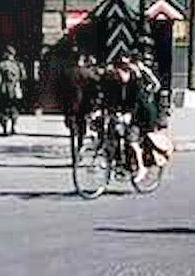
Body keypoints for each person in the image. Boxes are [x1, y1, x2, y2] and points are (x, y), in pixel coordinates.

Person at [100, 54, 151, 183]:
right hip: (122, 113)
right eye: (119, 67)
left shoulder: (136, 80)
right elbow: (110, 98)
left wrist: (129, 114)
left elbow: (137, 101)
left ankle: (141, 167)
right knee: (112, 135)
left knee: (131, 141)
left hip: (138, 115)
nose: (121, 72)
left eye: (124, 68)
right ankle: (117, 163)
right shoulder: (115, 80)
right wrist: (107, 111)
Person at [59, 50, 100, 149]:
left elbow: (60, 90)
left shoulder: (66, 73)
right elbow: (96, 87)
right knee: (82, 126)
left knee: (72, 128)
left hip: (70, 104)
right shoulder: (87, 73)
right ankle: (80, 144)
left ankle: (74, 146)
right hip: (84, 104)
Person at [0, 45, 27, 136]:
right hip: (15, 89)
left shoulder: (2, 64)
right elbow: (24, 77)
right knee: (14, 108)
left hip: (4, 89)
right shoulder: (18, 64)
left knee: (3, 109)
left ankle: (5, 129)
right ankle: (13, 127)